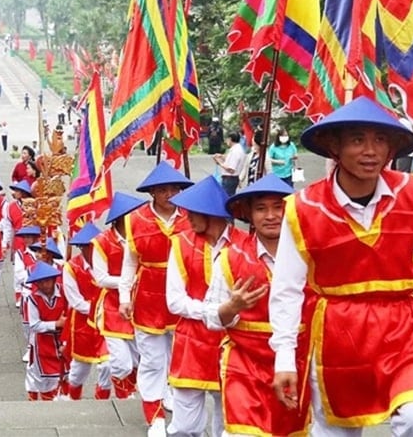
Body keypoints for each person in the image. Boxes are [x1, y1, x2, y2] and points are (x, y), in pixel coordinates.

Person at [270, 96, 413, 433]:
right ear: (335, 147)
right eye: (357, 140)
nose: (371, 151)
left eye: (380, 139)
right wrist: (284, 358)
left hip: (403, 328)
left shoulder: (410, 194)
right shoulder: (302, 208)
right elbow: (287, 290)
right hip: (339, 335)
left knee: (412, 418)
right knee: (337, 430)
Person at [204, 174, 309, 436]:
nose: (271, 215)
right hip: (244, 364)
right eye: (261, 208)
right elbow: (211, 318)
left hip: (296, 364)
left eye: (278, 207)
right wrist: (232, 307)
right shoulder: (230, 258)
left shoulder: (311, 255)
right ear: (249, 214)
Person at [165, 176, 247, 437]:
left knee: (229, 420)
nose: (186, 216)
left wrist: (227, 313)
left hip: (232, 342)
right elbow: (174, 301)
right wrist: (212, 312)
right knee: (184, 425)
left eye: (192, 211)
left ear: (210, 213)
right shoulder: (181, 243)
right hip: (192, 341)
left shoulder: (245, 244)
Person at [118, 162, 193, 436]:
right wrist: (124, 296)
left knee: (179, 353)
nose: (170, 194)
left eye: (174, 188)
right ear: (152, 193)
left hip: (183, 293)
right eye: (163, 190)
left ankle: (171, 392)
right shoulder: (136, 219)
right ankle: (155, 414)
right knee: (151, 357)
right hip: (148, 294)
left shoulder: (191, 216)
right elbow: (129, 262)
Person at [91, 193, 146, 399]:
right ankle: (117, 393)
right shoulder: (102, 242)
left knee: (136, 360)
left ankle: (126, 392)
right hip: (113, 309)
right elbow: (101, 278)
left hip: (138, 307)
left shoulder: (140, 237)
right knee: (122, 363)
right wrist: (129, 281)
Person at [63, 223, 111, 401]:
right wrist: (99, 309)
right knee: (79, 370)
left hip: (106, 322)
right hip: (84, 324)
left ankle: (102, 400)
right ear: (81, 248)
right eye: (89, 247)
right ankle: (73, 399)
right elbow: (76, 301)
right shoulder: (71, 268)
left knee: (108, 365)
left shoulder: (108, 263)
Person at [24, 261, 68, 401]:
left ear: (54, 279)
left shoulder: (65, 292)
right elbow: (35, 325)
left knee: (68, 375)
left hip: (64, 341)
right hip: (43, 344)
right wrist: (57, 324)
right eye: (40, 282)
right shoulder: (33, 299)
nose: (44, 285)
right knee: (44, 379)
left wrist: (66, 338)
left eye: (47, 281)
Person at [213, 131, 246, 196]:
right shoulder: (237, 149)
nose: (226, 141)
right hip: (231, 179)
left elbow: (231, 169)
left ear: (230, 139)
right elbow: (230, 161)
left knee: (226, 197)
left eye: (227, 139)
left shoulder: (235, 151)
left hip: (230, 179)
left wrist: (219, 162)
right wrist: (221, 156)